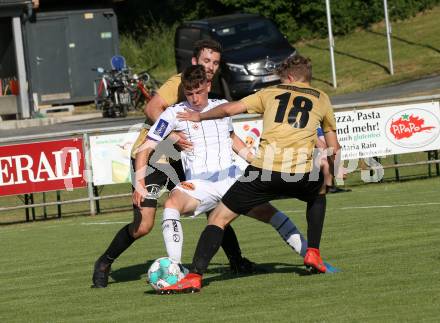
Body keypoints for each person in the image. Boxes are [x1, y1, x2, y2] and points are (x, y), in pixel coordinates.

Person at [160, 54, 341, 293]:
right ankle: (314, 253)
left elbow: (229, 109)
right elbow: (334, 147)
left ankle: (194, 276)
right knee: (318, 193)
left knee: (218, 219)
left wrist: (199, 116)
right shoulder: (323, 98)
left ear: (288, 77)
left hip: (264, 171)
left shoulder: (270, 92)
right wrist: (332, 175)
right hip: (301, 173)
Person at [133, 65, 308, 265]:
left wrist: (255, 161)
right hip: (200, 185)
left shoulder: (222, 106)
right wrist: (140, 183)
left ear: (208, 85)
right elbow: (144, 148)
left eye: (198, 92)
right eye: (189, 93)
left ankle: (311, 256)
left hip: (232, 180)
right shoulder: (174, 113)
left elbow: (232, 137)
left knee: (272, 214)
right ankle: (175, 267)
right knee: (171, 204)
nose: (195, 98)